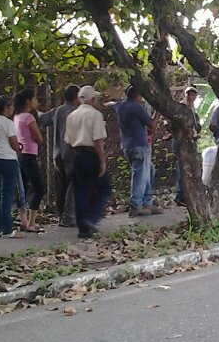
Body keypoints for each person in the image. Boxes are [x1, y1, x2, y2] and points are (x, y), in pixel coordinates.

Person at [66, 86, 112, 236]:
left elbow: (68, 141)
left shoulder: (72, 116)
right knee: (104, 187)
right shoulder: (95, 115)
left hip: (76, 154)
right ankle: (92, 217)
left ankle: (83, 227)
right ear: (92, 99)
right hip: (91, 154)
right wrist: (102, 161)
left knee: (80, 190)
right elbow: (98, 140)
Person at [38, 84, 80, 228]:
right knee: (74, 183)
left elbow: (42, 117)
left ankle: (62, 214)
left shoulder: (58, 111)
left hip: (58, 153)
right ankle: (69, 216)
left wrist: (32, 110)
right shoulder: (78, 112)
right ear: (76, 97)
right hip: (72, 152)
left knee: (61, 185)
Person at [116, 85, 160, 218]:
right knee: (140, 174)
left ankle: (147, 202)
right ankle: (136, 205)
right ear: (137, 96)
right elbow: (151, 124)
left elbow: (112, 104)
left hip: (127, 144)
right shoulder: (136, 107)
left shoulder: (121, 106)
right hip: (139, 144)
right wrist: (158, 112)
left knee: (149, 170)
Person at [0, 95, 23, 238]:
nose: (13, 108)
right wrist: (19, 146)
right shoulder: (8, 123)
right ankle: (7, 229)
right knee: (6, 194)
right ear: (6, 107)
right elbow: (14, 143)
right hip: (7, 158)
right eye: (11, 106)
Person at [13, 88, 45, 233]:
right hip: (29, 153)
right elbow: (39, 138)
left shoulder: (17, 116)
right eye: (35, 99)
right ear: (28, 101)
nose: (36, 102)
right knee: (38, 187)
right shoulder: (29, 117)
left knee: (23, 187)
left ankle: (23, 219)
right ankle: (31, 222)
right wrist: (36, 139)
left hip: (19, 154)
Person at [174, 86, 202, 206]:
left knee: (190, 169)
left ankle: (187, 195)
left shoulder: (193, 111)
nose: (191, 97)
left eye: (193, 95)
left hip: (191, 143)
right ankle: (180, 196)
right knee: (182, 168)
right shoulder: (180, 108)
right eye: (189, 94)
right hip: (181, 142)